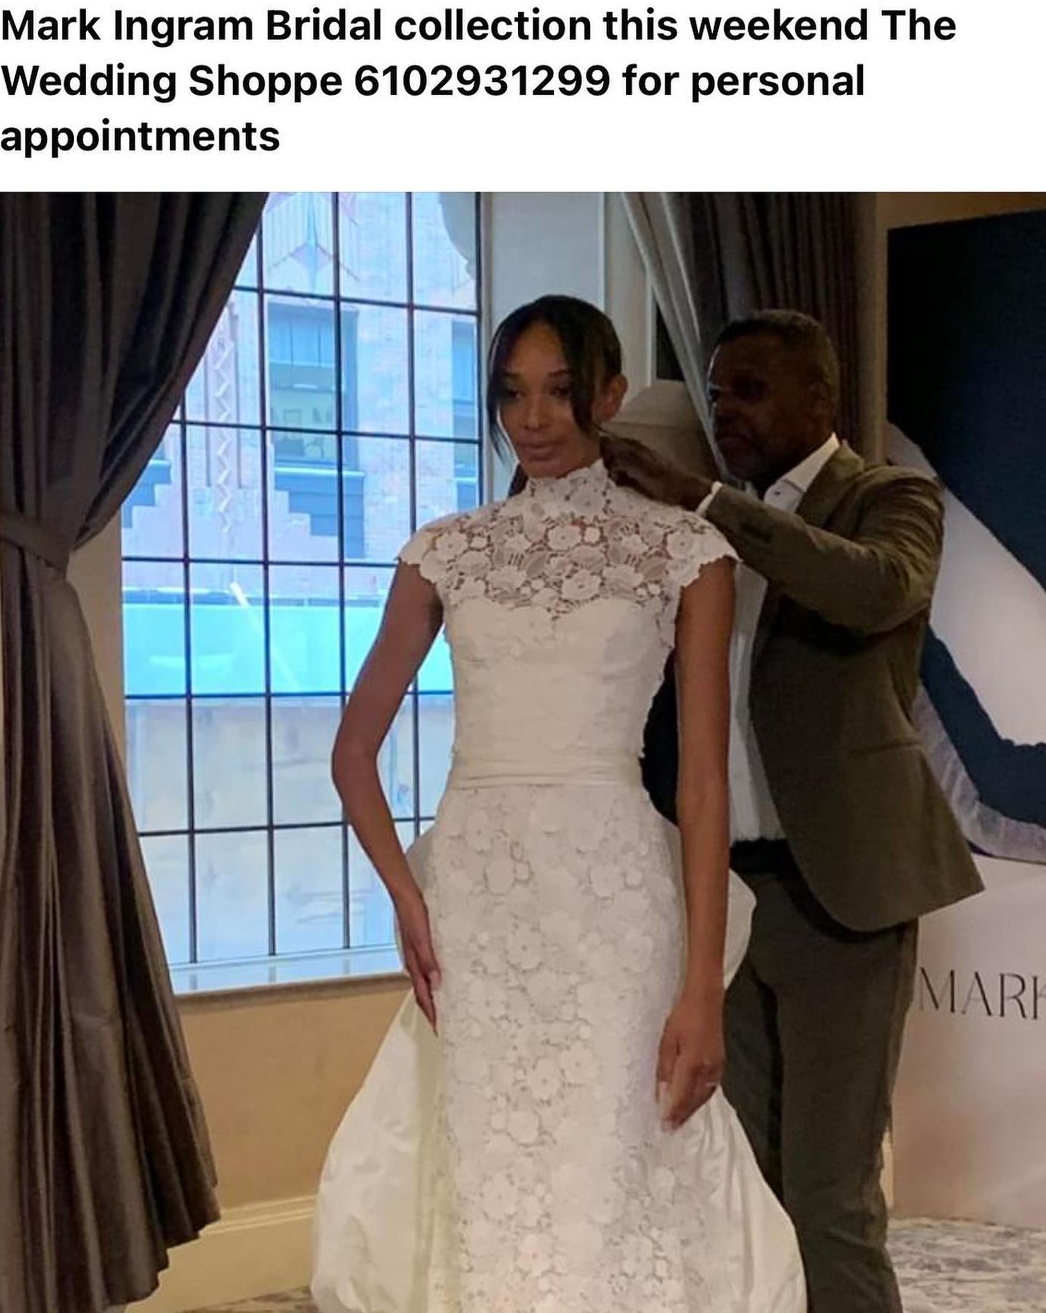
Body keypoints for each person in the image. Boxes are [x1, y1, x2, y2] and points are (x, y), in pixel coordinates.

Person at [311, 296, 807, 1313]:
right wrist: (409, 898)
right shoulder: (444, 551)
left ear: (609, 395)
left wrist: (702, 987)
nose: (531, 419)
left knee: (613, 1165)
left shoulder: (686, 551)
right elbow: (353, 753)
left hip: (616, 902)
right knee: (488, 1162)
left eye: (558, 391)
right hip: (477, 904)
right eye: (510, 394)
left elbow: (702, 784)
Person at [605, 310, 983, 1313]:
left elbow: (875, 592)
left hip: (840, 896)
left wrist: (711, 502)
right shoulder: (692, 528)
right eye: (716, 393)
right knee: (745, 1194)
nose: (725, 411)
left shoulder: (888, 497)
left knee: (829, 1198)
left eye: (750, 390)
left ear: (820, 397)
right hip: (718, 898)